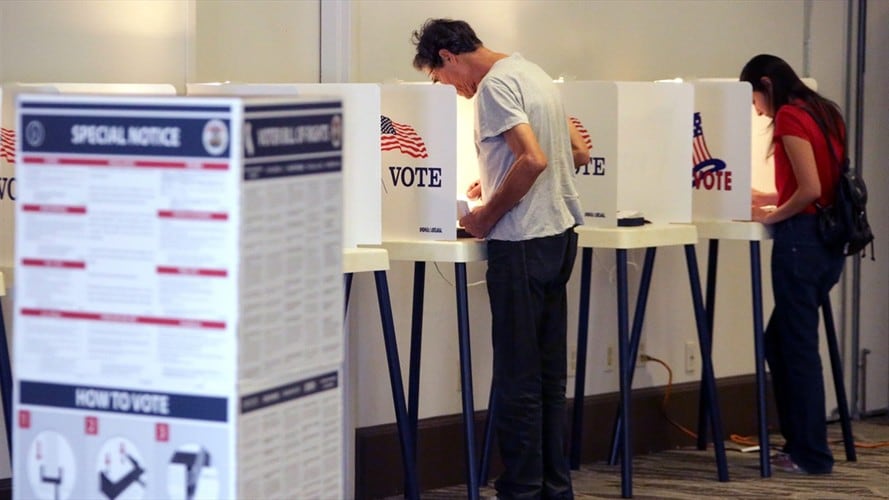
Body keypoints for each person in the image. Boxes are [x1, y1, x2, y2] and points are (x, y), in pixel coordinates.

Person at [412, 18, 588, 499]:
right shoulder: (531, 72)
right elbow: (574, 150)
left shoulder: (492, 88)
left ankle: (522, 489)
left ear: (447, 56)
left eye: (438, 77)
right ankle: (555, 487)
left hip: (522, 241)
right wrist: (493, 179)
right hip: (559, 234)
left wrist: (487, 213)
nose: (447, 88)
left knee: (517, 377)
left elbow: (533, 160)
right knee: (549, 375)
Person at [741, 54, 846, 475]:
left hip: (800, 243)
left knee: (796, 348)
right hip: (828, 241)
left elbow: (809, 189)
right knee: (781, 341)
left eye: (754, 98)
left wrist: (772, 215)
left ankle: (810, 454)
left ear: (766, 83)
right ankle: (801, 444)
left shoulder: (788, 116)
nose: (756, 109)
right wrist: (770, 198)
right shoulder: (824, 111)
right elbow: (823, 185)